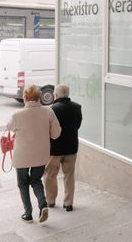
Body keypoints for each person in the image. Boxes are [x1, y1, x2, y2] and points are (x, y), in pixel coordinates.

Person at [7, 85, 61, 223]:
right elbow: (56, 134)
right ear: (39, 97)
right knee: (36, 180)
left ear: (25, 97)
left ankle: (28, 213)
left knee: (22, 183)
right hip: (40, 155)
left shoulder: (17, 115)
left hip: (22, 156)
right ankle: (43, 205)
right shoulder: (48, 112)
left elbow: (9, 127)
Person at [44, 84, 82, 212]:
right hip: (71, 147)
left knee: (50, 175)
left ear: (56, 95)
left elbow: (48, 129)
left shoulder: (52, 109)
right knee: (69, 175)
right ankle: (68, 203)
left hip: (55, 149)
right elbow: (77, 125)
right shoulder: (77, 107)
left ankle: (50, 200)